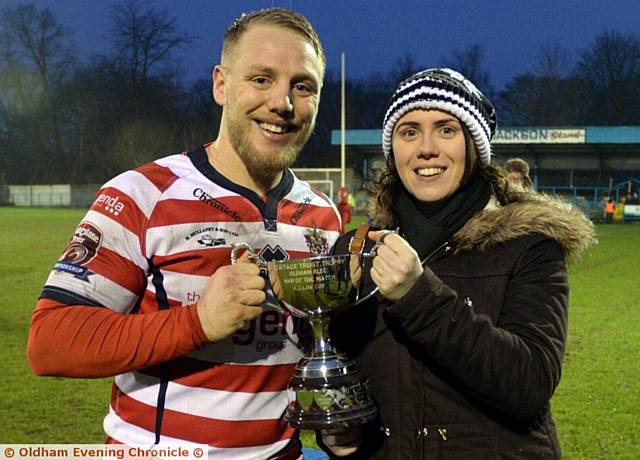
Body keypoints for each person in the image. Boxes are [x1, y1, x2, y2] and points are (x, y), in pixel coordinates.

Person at [27, 8, 341, 459]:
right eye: (261, 79)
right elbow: (51, 343)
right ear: (220, 85)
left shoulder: (322, 217)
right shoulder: (142, 194)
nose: (282, 103)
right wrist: (197, 323)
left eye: (302, 86)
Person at [318, 68, 596, 459]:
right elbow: (342, 377)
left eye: (446, 129)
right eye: (409, 131)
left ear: (473, 145)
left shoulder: (529, 246)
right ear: (392, 147)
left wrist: (419, 296)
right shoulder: (358, 249)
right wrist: (340, 436)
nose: (426, 148)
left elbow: (529, 386)